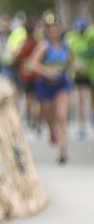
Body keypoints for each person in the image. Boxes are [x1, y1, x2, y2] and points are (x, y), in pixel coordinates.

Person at [27, 15, 73, 163]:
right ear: (47, 31)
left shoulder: (66, 46)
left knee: (62, 116)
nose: (54, 31)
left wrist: (71, 70)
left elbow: (71, 61)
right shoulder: (44, 46)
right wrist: (47, 72)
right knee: (49, 116)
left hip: (62, 85)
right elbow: (32, 64)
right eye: (51, 28)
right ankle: (52, 130)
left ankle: (62, 151)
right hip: (46, 86)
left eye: (56, 28)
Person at [65, 17, 91, 139]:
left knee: (91, 98)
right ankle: (81, 125)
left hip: (91, 73)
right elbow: (69, 56)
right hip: (78, 73)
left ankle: (90, 117)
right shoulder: (71, 38)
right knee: (79, 98)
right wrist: (74, 67)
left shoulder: (91, 36)